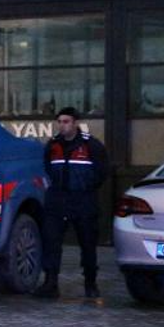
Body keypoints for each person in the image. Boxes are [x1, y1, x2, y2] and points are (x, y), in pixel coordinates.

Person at [34, 107, 109, 299]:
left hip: (83, 200)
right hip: (58, 199)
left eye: (66, 121)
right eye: (59, 121)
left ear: (75, 123)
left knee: (87, 243)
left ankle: (90, 284)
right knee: (52, 242)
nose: (62, 125)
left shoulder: (91, 145)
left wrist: (85, 186)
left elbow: (101, 172)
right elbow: (47, 168)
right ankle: (50, 283)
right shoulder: (53, 146)